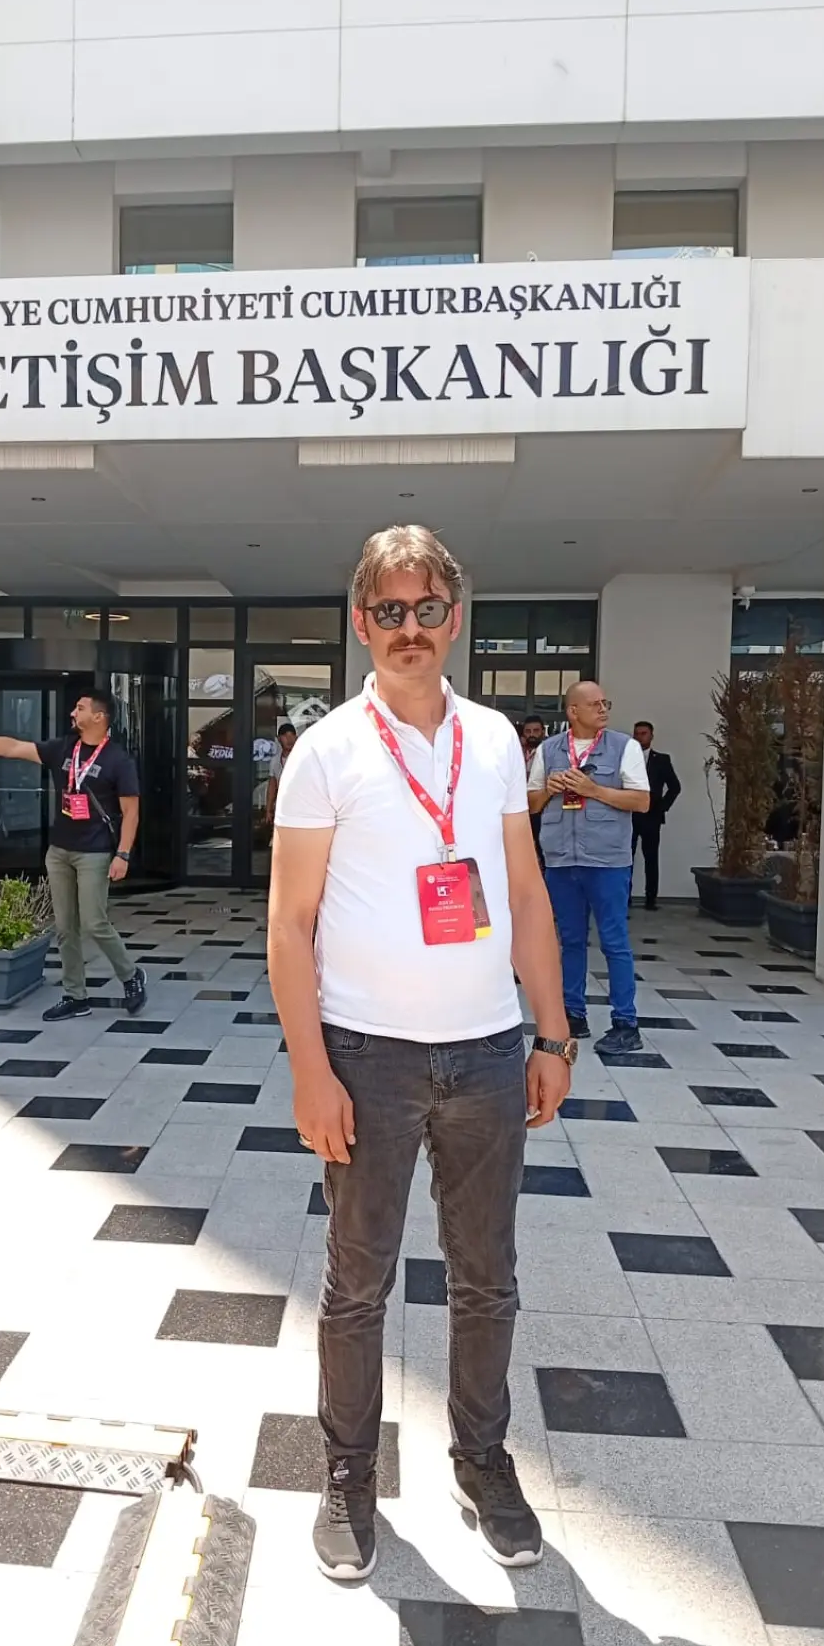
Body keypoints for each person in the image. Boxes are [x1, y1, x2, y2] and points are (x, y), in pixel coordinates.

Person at [269, 526, 574, 1582]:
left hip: (486, 1051)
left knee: (487, 1276)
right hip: (368, 1057)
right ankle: (348, 1474)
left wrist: (550, 1031)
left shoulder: (493, 742)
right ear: (362, 623)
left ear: (454, 618)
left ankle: (481, 1460)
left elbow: (523, 892)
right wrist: (311, 1069)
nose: (410, 627)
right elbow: (288, 923)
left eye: (427, 609)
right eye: (390, 611)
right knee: (357, 1282)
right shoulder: (326, 751)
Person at [0, 689, 146, 1019]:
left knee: (94, 922)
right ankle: (75, 995)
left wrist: (123, 854)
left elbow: (131, 813)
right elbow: (13, 748)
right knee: (64, 927)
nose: (72, 712)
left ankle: (131, 976)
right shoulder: (64, 748)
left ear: (99, 717)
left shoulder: (118, 760)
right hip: (59, 851)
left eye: (80, 708)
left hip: (94, 853)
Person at [527, 682, 650, 1054]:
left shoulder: (625, 747)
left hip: (607, 860)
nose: (603, 709)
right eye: (594, 704)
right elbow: (530, 804)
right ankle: (572, 1015)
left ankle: (626, 1023)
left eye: (605, 702)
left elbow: (642, 801)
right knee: (570, 941)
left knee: (615, 942)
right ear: (573, 711)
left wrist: (593, 789)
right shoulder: (548, 750)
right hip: (562, 860)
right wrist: (549, 789)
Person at [630, 721, 681, 912]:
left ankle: (651, 899)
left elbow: (675, 787)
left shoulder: (661, 760)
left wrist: (662, 808)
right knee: (626, 858)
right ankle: (624, 899)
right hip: (629, 815)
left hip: (651, 817)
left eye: (643, 733)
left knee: (651, 858)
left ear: (651, 736)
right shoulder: (626, 759)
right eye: (636, 734)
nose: (639, 737)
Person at [519, 716, 547, 865]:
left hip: (539, 807)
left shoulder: (548, 752)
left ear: (543, 732)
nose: (532, 735)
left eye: (536, 731)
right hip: (518, 806)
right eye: (528, 731)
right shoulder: (516, 751)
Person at [264, 720, 298, 830]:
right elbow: (272, 787)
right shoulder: (275, 760)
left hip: (300, 809)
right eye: (285, 736)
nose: (289, 739)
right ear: (279, 739)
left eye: (292, 736)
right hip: (282, 809)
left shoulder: (301, 758)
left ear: (296, 738)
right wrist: (269, 810)